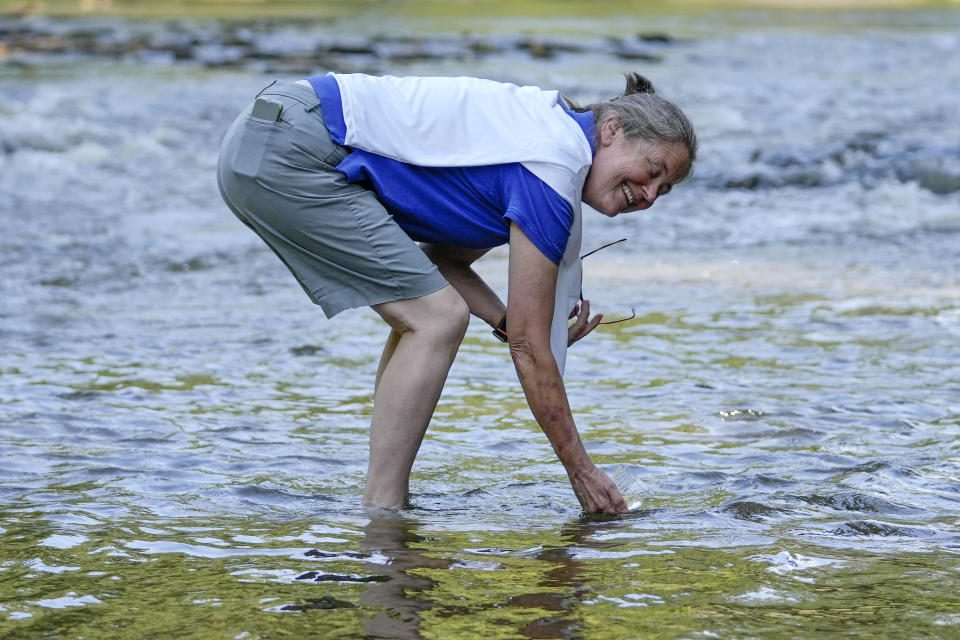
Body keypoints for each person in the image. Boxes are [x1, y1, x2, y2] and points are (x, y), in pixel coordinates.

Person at [217, 72, 697, 515]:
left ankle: (386, 504)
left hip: (270, 130)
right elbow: (529, 348)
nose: (651, 194)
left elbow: (441, 262)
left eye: (665, 189)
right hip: (290, 149)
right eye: (652, 170)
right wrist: (582, 471)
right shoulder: (550, 167)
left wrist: (508, 322)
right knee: (437, 318)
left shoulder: (536, 144)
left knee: (426, 313)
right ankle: (382, 516)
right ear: (611, 130)